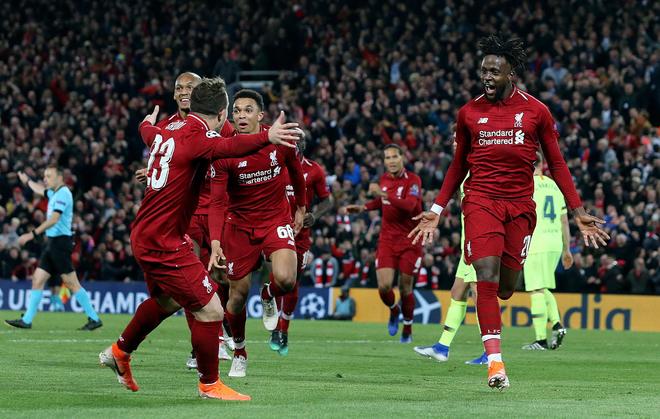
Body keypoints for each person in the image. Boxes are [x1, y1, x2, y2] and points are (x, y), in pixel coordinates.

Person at [409, 35, 609, 390]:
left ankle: (495, 338)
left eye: (494, 71)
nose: (487, 77)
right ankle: (496, 364)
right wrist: (437, 208)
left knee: (506, 287)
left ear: (511, 74)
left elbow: (557, 163)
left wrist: (578, 211)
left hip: (520, 207)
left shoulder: (536, 111)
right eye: (484, 70)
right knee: (484, 274)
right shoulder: (468, 113)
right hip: (481, 201)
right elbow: (457, 166)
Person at [98, 77, 301, 401]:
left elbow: (148, 133)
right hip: (163, 241)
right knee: (211, 310)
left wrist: (144, 124)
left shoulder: (167, 130)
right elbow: (231, 147)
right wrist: (268, 136)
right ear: (221, 114)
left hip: (150, 232)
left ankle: (120, 352)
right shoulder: (199, 137)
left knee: (170, 301)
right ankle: (209, 384)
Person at [135, 72, 235, 370]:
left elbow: (231, 159)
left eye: (190, 87)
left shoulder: (221, 126)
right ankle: (202, 347)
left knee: (220, 278)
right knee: (191, 278)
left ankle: (219, 333)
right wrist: (153, 173)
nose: (183, 91)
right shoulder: (167, 127)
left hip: (216, 209)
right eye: (179, 87)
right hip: (185, 216)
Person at [208, 89, 306, 378]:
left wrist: (301, 207)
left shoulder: (280, 141)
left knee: (286, 279)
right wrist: (215, 242)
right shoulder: (225, 151)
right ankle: (239, 351)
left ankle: (267, 293)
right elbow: (216, 202)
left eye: (247, 110)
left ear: (260, 115)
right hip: (239, 226)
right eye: (237, 111)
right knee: (236, 297)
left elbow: (296, 172)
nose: (241, 116)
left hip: (275, 219)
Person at [342, 144, 422, 343]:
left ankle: (408, 328)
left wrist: (383, 194)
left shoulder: (413, 180)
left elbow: (409, 205)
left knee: (405, 288)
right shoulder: (384, 179)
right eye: (387, 158)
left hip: (410, 240)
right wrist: (364, 207)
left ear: (402, 158)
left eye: (395, 156)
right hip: (387, 240)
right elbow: (381, 202)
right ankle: (394, 310)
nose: (391, 161)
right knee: (384, 287)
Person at [5, 166, 102, 330]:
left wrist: (31, 234)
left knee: (72, 283)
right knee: (38, 279)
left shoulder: (63, 193)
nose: (45, 179)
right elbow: (39, 189)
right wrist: (27, 181)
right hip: (52, 243)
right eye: (45, 176)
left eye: (49, 176)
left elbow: (54, 219)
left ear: (60, 177)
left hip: (60, 243)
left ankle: (94, 318)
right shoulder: (54, 193)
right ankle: (27, 320)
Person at [269, 138, 332, 356]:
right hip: (277, 229)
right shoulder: (274, 166)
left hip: (301, 236)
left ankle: (283, 329)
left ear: (302, 146)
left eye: (295, 143)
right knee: (278, 277)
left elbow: (327, 201)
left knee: (292, 282)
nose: (291, 146)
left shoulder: (314, 170)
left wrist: (314, 215)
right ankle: (275, 324)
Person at [522, 153, 573, 350]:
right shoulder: (555, 186)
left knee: (536, 289)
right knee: (543, 287)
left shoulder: (527, 185)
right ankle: (557, 326)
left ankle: (541, 339)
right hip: (554, 243)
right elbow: (564, 221)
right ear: (542, 164)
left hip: (537, 241)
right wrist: (567, 249)